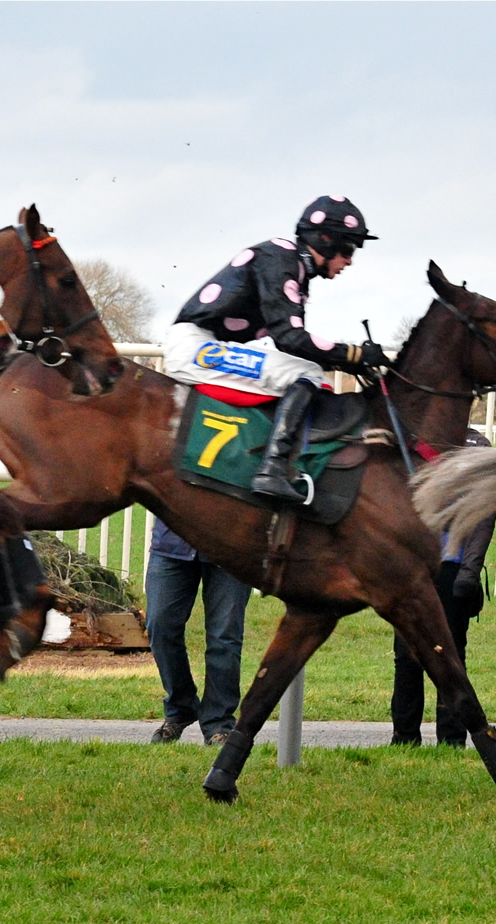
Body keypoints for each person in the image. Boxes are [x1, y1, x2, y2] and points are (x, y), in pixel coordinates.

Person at [164, 196, 391, 502]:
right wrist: (353, 355)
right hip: (194, 347)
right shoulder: (280, 259)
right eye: (348, 248)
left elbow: (296, 345)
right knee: (306, 373)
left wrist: (351, 364)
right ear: (325, 240)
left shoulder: (293, 268)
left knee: (306, 371)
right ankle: (272, 470)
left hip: (209, 344)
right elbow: (291, 339)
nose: (350, 260)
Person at [391, 428, 496, 747]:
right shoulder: (411, 441)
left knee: (451, 656)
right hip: (412, 570)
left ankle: (452, 739)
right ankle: (404, 737)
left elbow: (484, 513)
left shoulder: (476, 445)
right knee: (406, 653)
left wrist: (470, 571)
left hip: (451, 570)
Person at [146, 518, 253, 745]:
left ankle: (219, 724)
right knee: (159, 626)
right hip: (172, 542)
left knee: (224, 638)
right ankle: (181, 707)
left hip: (232, 546)